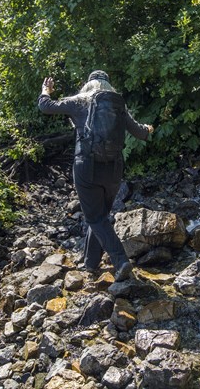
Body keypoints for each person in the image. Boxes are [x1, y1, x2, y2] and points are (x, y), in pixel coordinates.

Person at [38, 70, 153, 282]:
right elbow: (141, 133)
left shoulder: (80, 101)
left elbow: (45, 106)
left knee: (95, 217)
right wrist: (148, 128)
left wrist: (46, 90)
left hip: (87, 167)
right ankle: (90, 264)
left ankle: (120, 260)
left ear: (88, 85)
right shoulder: (118, 106)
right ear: (109, 87)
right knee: (100, 216)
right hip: (114, 169)